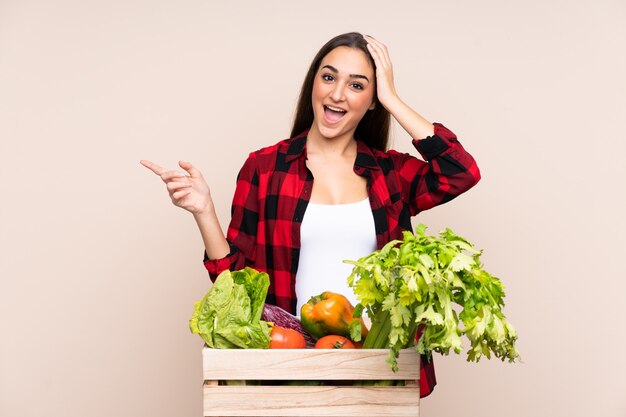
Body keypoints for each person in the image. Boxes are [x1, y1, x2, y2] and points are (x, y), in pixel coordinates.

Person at [141, 32, 481, 397]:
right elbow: (237, 288)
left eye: (357, 85)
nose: (337, 94)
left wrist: (393, 99)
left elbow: (460, 172)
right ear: (313, 84)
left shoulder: (390, 174)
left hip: (379, 363)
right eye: (329, 77)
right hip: (289, 363)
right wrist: (203, 211)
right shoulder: (265, 167)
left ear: (371, 101)